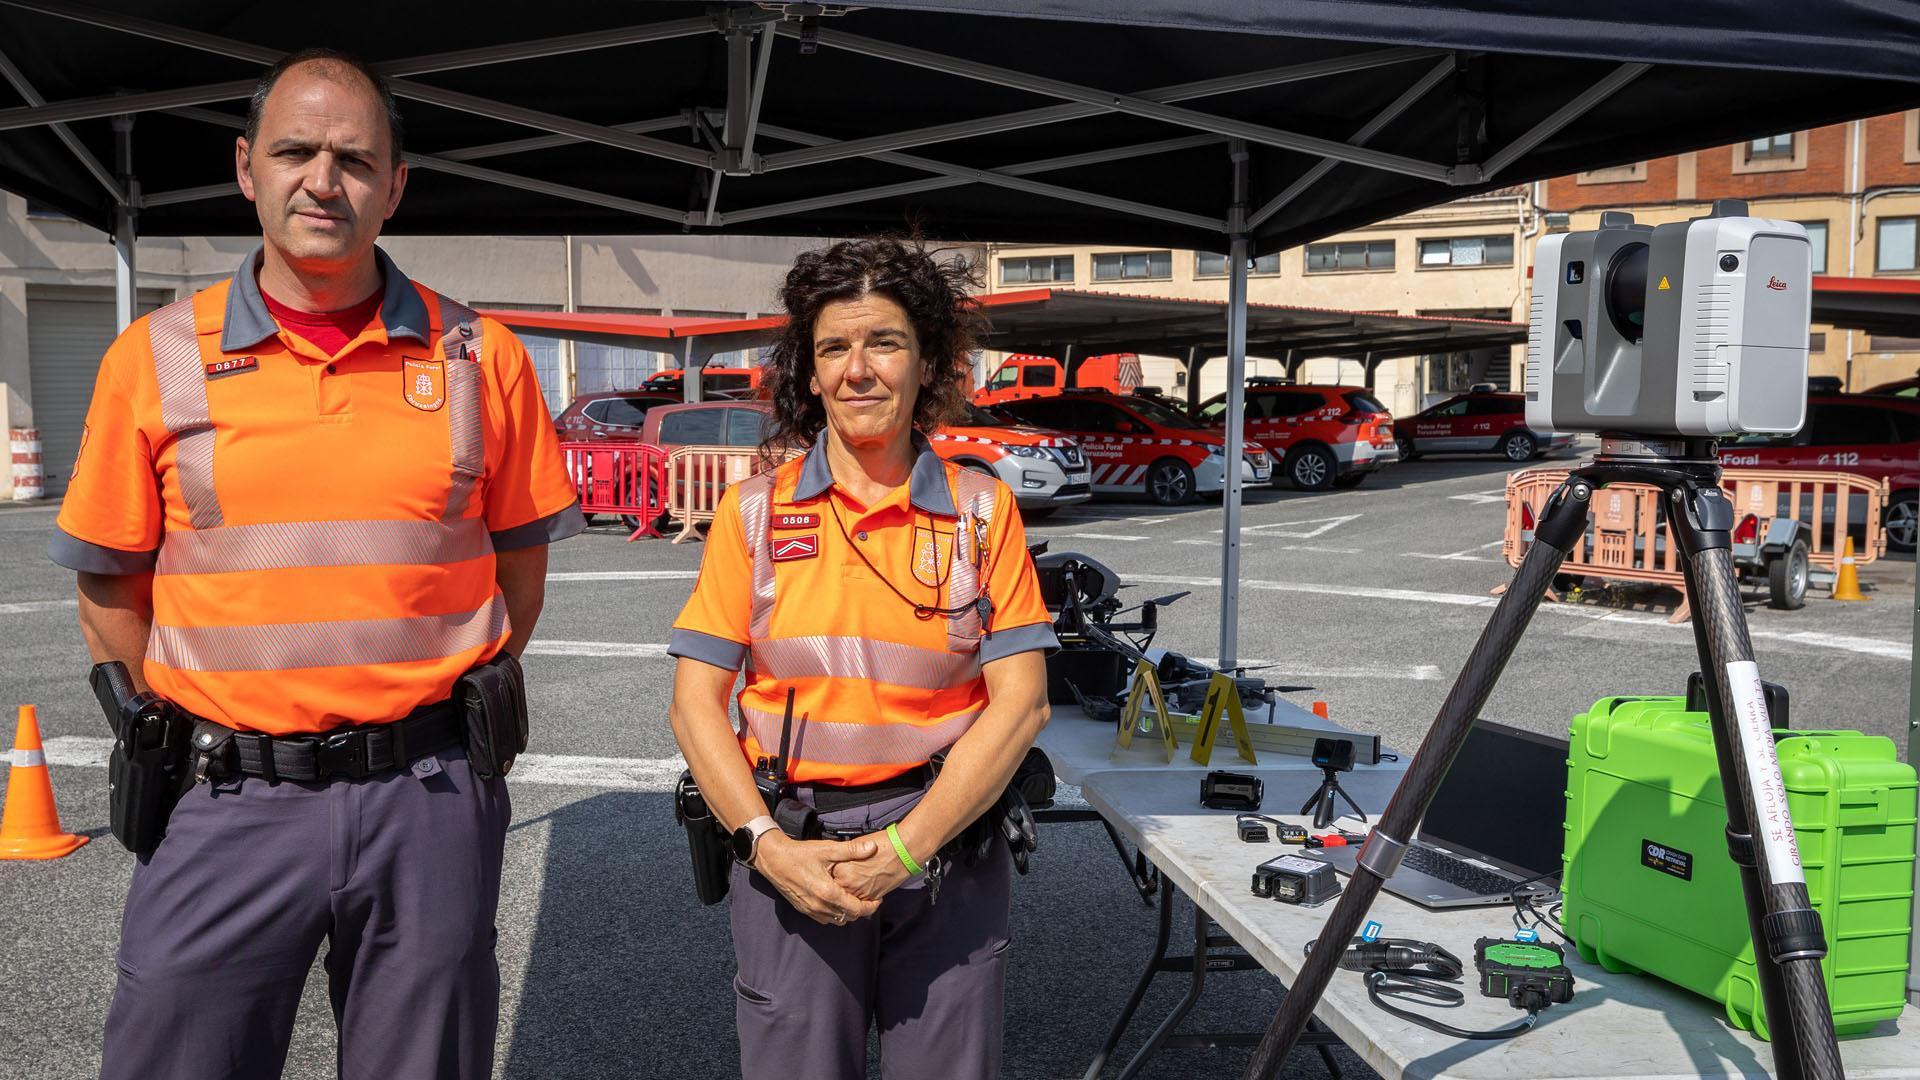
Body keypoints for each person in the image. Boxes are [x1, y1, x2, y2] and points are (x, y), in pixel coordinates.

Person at [49, 49, 584, 1080]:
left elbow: (517, 572)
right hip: (224, 798)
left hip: (427, 799)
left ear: (396, 185)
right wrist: (183, 725)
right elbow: (110, 587)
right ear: (246, 168)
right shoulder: (153, 356)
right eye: (295, 152)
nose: (323, 181)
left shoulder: (483, 356)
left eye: (355, 158)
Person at [668, 236, 1057, 1079]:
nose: (858, 370)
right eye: (833, 348)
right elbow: (694, 704)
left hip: (946, 844)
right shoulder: (751, 513)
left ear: (929, 363)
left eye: (884, 342)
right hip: (791, 844)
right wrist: (767, 847)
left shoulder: (983, 510)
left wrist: (907, 849)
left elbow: (1023, 702)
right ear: (809, 374)